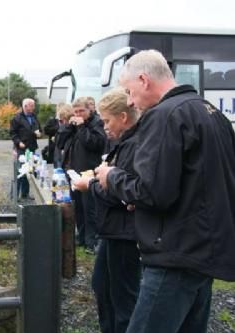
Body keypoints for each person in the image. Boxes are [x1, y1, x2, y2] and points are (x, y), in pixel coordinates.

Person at [95, 49, 235, 333]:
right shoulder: (211, 112)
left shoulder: (163, 116)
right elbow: (199, 183)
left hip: (175, 253)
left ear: (144, 80)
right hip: (205, 251)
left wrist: (112, 176)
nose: (131, 101)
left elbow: (153, 192)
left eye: (130, 91)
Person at [73, 88, 141, 333]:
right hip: (113, 230)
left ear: (123, 117)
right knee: (102, 285)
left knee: (124, 298)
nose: (104, 127)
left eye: (107, 121)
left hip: (126, 234)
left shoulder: (134, 145)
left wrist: (91, 183)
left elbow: (122, 194)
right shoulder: (124, 143)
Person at [60, 97, 106, 252]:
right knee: (78, 206)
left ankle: (91, 241)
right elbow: (60, 141)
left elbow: (95, 143)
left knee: (89, 208)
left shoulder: (97, 123)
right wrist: (69, 127)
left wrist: (81, 128)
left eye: (82, 111)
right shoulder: (75, 125)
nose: (79, 114)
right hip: (74, 172)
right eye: (76, 111)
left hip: (88, 172)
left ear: (90, 110)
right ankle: (82, 236)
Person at [9, 98, 41, 200]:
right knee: (20, 172)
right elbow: (12, 133)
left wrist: (39, 133)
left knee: (29, 171)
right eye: (32, 105)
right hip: (21, 149)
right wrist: (19, 142)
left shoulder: (34, 116)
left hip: (31, 148)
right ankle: (14, 195)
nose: (33, 107)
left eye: (33, 105)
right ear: (25, 106)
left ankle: (25, 194)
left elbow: (39, 128)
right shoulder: (17, 118)